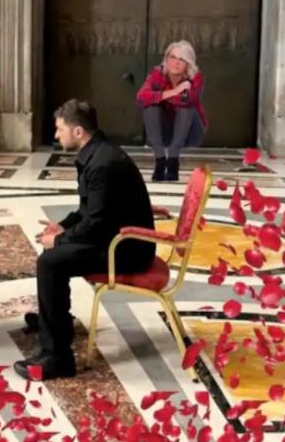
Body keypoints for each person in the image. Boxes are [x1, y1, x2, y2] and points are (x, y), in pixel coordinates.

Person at [15, 99, 155, 381]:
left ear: (78, 131)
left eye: (60, 129)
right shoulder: (98, 154)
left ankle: (57, 358)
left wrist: (60, 241)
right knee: (53, 258)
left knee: (50, 263)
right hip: (114, 237)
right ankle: (56, 323)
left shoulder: (103, 163)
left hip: (126, 249)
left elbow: (97, 223)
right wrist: (62, 227)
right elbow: (88, 211)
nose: (56, 135)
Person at [136, 40, 207, 182]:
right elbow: (141, 97)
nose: (176, 62)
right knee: (150, 107)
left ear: (188, 64)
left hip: (190, 132)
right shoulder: (157, 74)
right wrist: (175, 91)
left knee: (185, 107)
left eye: (182, 59)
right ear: (166, 59)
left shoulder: (195, 77)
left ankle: (174, 159)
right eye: (172, 57)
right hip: (165, 131)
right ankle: (160, 159)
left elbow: (187, 100)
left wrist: (160, 96)